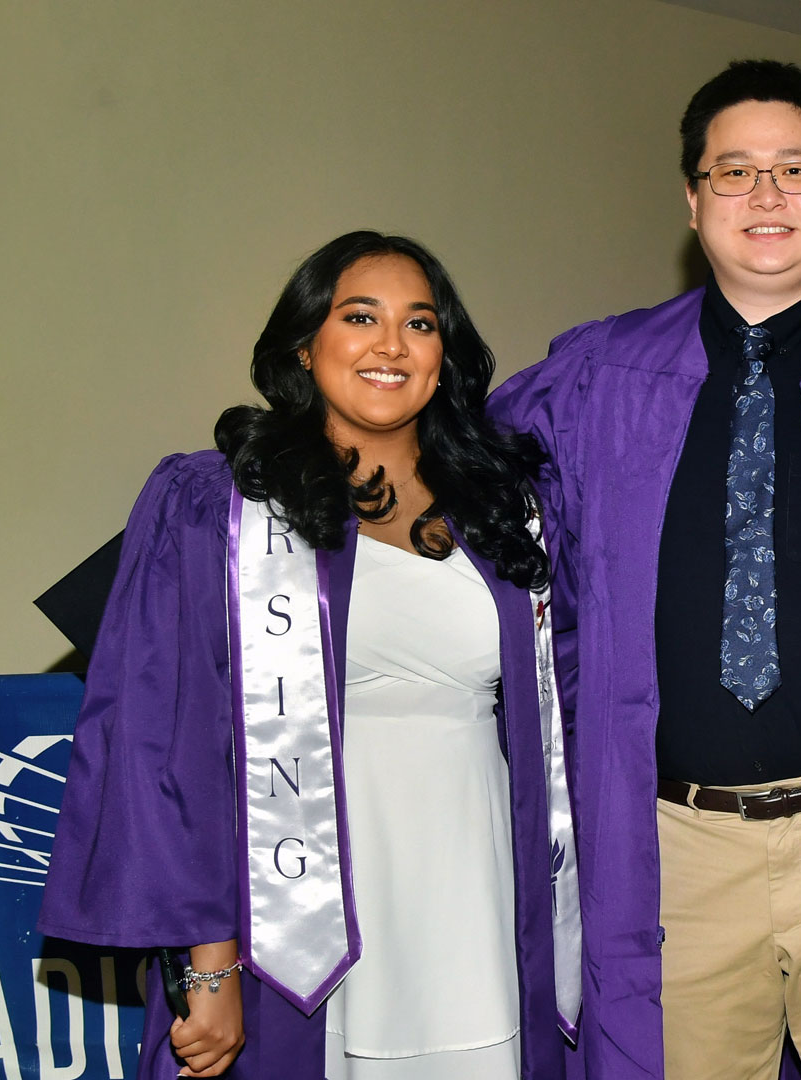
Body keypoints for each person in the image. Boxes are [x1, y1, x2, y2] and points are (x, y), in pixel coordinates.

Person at [488, 61, 801, 1079]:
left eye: (796, 168)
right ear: (693, 199)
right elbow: (473, 504)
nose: (767, 193)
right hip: (677, 851)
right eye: (734, 171)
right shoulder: (598, 378)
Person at [38, 232, 581, 1080]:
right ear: (304, 344)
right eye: (360, 317)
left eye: (420, 323)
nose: (391, 345)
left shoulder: (509, 509)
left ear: (444, 355)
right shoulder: (220, 507)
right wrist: (209, 967)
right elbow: (172, 744)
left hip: (475, 884)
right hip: (297, 916)